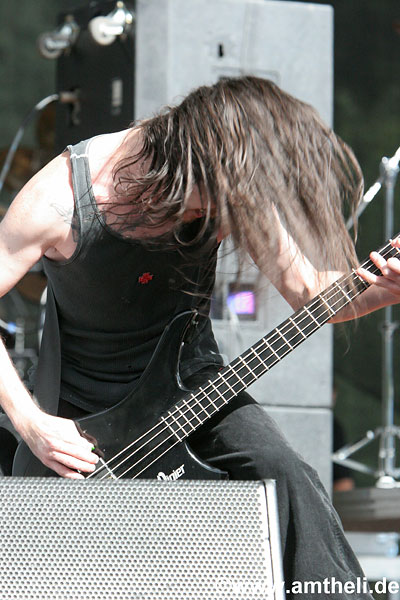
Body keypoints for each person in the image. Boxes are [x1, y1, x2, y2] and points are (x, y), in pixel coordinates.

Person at [0, 76, 399, 597]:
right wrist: (30, 422)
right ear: (182, 168)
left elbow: (310, 292)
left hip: (194, 385)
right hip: (86, 408)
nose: (215, 222)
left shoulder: (231, 181)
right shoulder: (59, 198)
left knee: (282, 471)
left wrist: (384, 291)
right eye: (201, 208)